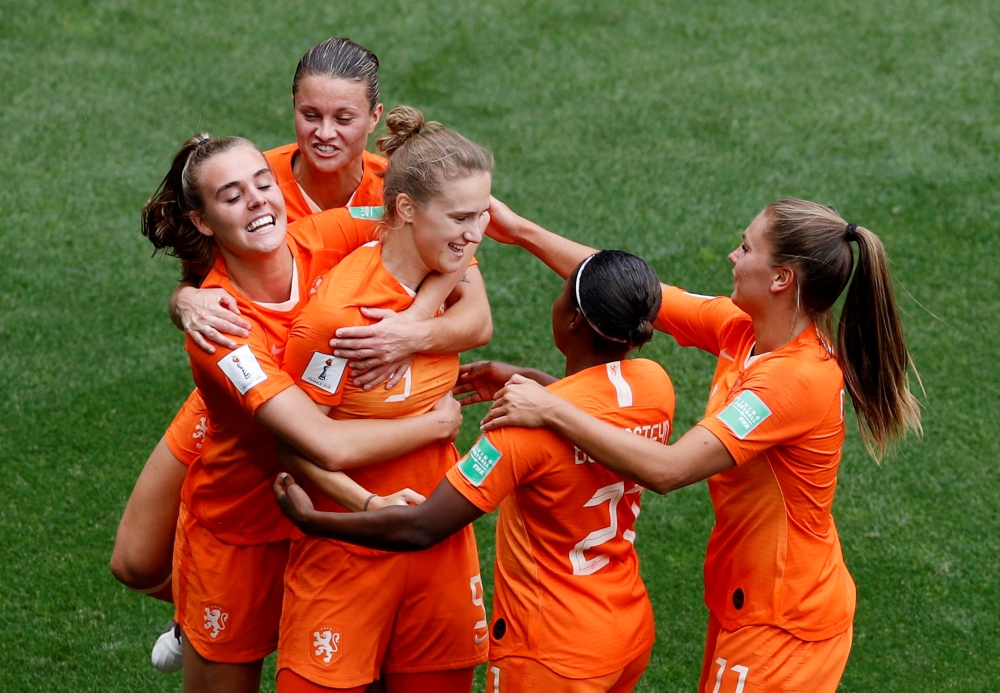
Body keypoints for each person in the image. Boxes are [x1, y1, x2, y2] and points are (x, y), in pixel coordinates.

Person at [110, 36, 492, 670]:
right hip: (263, 415)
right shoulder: (243, 194)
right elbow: (312, 438)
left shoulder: (367, 202)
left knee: (344, 646)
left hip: (329, 413)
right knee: (135, 561)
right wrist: (185, 305)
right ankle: (208, 609)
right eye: (309, 114)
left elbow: (464, 257)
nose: (324, 133)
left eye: (343, 118)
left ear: (374, 119)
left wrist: (413, 327)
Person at [467, 198, 922, 692]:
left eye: (746, 248)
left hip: (785, 624)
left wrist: (550, 406)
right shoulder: (743, 329)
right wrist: (518, 230)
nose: (732, 255)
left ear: (781, 279)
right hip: (746, 601)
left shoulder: (793, 380)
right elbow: (632, 292)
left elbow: (668, 470)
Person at [274, 250, 675, 693]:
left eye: (562, 295)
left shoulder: (520, 431)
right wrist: (528, 378)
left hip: (550, 652)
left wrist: (313, 520)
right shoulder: (654, 385)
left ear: (576, 320)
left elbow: (422, 527)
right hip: (627, 629)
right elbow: (597, 415)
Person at [270, 106, 494, 693]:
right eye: (461, 217)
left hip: (439, 548)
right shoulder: (339, 321)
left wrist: (415, 326)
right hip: (348, 553)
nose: (476, 233)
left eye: (483, 214)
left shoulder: (448, 267)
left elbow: (476, 314)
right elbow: (293, 445)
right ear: (404, 209)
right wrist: (371, 507)